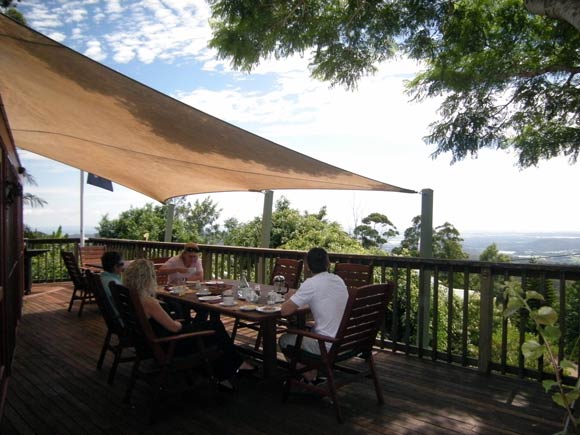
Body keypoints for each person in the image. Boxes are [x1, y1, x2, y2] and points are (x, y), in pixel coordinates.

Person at [123, 259, 254, 387]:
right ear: (147, 279)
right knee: (215, 327)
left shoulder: (131, 297)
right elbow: (174, 328)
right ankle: (235, 366)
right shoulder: (149, 302)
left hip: (149, 343)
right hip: (170, 345)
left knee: (211, 330)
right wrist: (178, 323)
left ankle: (226, 369)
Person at [279, 247, 348, 382]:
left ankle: (310, 377)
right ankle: (312, 373)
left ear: (307, 266)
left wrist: (290, 296)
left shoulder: (311, 284)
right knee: (303, 330)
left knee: (284, 340)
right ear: (328, 263)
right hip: (347, 341)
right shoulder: (338, 280)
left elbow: (284, 311)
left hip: (328, 345)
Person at [99, 251, 124, 319]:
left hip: (111, 318)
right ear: (115, 267)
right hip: (121, 319)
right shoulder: (114, 284)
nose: (123, 266)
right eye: (122, 264)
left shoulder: (102, 278)